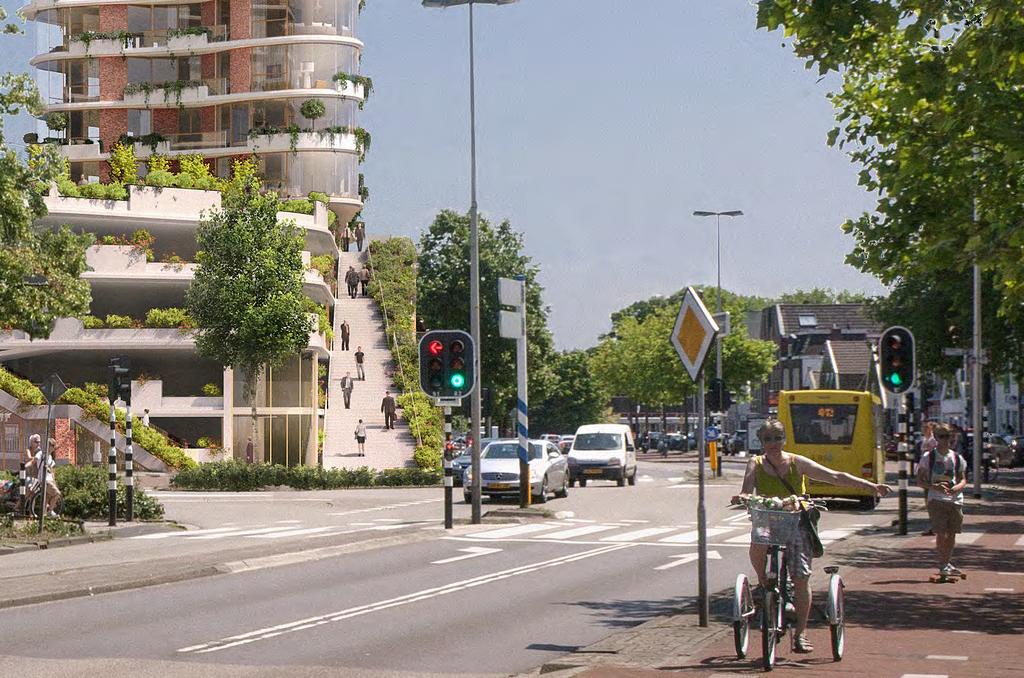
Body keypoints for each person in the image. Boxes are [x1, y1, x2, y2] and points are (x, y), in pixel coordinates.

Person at [735, 419, 891, 654]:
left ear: (784, 439)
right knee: (757, 542)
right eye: (768, 439)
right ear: (761, 442)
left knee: (801, 578)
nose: (773, 443)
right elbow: (746, 489)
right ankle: (763, 582)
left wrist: (871, 486)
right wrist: (743, 497)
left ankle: (801, 633)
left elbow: (835, 476)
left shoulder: (796, 462)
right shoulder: (755, 463)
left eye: (777, 438)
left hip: (796, 522)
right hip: (767, 520)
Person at [916, 422, 968, 578]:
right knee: (941, 533)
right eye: (941, 437)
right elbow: (919, 481)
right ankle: (943, 564)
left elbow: (963, 479)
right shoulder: (928, 457)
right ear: (936, 438)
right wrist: (935, 487)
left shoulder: (957, 458)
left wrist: (957, 487)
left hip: (955, 500)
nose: (945, 440)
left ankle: (947, 563)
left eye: (948, 436)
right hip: (936, 499)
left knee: (952, 533)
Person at [24, 436, 61, 516]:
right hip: (45, 480)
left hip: (49, 480)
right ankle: (50, 511)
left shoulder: (50, 457)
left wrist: (54, 482)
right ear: (50, 446)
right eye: (53, 446)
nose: (54, 448)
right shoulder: (41, 454)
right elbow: (33, 461)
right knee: (57, 494)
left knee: (46, 499)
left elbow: (52, 472)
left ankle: (44, 516)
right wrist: (23, 467)